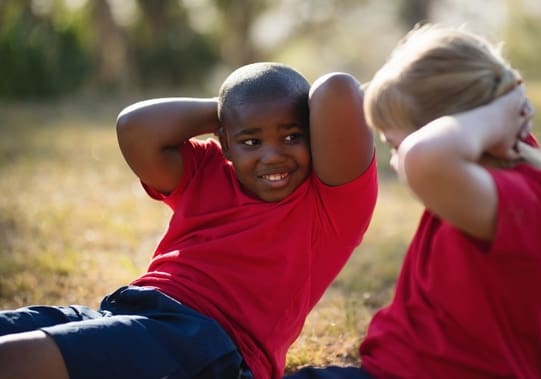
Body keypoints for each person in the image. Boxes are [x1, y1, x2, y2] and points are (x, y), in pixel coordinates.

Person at [0, 62, 377, 379]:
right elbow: (134, 128)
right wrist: (232, 108)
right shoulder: (210, 170)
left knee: (13, 358)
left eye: (292, 135)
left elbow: (338, 90)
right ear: (224, 143)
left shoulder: (328, 206)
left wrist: (250, 114)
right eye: (251, 141)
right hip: (129, 312)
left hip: (206, 344)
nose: (272, 156)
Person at [285, 24, 541, 379]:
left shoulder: (530, 202)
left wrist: (498, 109)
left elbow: (423, 158)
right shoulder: (501, 183)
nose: (396, 160)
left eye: (394, 144)